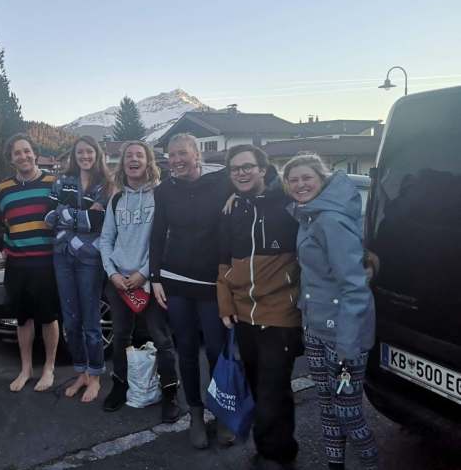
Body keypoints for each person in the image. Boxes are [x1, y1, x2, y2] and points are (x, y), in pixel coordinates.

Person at [284, 154, 378, 470]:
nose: (300, 185)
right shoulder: (308, 216)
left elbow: (355, 287)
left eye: (307, 177)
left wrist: (347, 345)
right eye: (293, 180)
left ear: (322, 179)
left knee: (348, 413)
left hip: (343, 335)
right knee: (326, 407)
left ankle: (370, 465)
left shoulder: (330, 221)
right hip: (315, 328)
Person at [216, 145, 303, 470]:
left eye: (247, 167)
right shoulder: (233, 209)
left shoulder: (289, 203)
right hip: (243, 316)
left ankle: (276, 456)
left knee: (273, 390)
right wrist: (225, 302)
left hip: (280, 314)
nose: (241, 173)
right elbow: (223, 260)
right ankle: (271, 447)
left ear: (263, 170)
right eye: (235, 169)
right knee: (257, 385)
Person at [148, 133, 234, 449]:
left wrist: (237, 198)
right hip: (175, 280)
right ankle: (195, 414)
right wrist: (155, 276)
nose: (176, 160)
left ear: (197, 154)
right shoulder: (163, 191)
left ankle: (221, 412)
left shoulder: (222, 182)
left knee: (216, 349)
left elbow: (262, 176)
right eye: (171, 155)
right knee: (185, 349)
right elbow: (157, 234)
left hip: (212, 282)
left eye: (182, 153)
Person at [99, 140, 180, 422]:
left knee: (161, 338)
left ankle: (170, 391)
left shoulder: (160, 196)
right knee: (121, 336)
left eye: (139, 155)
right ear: (122, 164)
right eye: (128, 156)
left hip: (150, 280)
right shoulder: (116, 200)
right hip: (119, 282)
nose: (134, 159)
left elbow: (167, 239)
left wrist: (144, 273)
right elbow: (106, 240)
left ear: (148, 162)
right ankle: (120, 385)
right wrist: (112, 274)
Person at [45, 136, 112, 402]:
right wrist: (82, 216)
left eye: (89, 151)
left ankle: (95, 376)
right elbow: (48, 216)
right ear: (74, 155)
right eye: (80, 152)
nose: (85, 156)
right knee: (71, 321)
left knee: (91, 321)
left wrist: (66, 213)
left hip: (90, 258)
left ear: (97, 154)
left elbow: (100, 220)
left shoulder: (106, 184)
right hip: (62, 255)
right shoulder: (62, 181)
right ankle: (81, 372)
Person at [0, 133, 60, 392]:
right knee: (22, 319)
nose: (23, 156)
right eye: (17, 153)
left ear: (35, 154)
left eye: (26, 151)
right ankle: (26, 369)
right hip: (17, 264)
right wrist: (2, 246)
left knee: (48, 317)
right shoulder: (3, 189)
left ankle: (49, 368)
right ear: (11, 159)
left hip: (46, 263)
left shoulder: (53, 183)